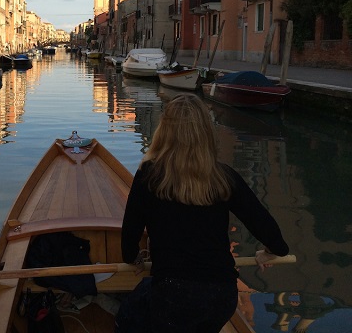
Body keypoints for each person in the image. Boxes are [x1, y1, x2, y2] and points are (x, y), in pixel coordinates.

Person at [118, 93, 289, 333]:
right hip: (221, 297)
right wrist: (269, 252)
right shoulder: (224, 177)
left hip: (172, 294)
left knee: (134, 316)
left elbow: (130, 234)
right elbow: (274, 237)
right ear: (206, 132)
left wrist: (133, 258)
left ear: (164, 130)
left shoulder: (149, 175)